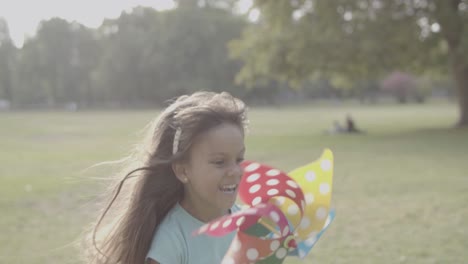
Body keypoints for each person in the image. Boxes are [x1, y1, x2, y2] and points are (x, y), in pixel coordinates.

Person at [85, 91, 248, 264]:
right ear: (183, 171)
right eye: (219, 162)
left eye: (239, 160)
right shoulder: (171, 240)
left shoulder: (250, 223)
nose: (235, 171)